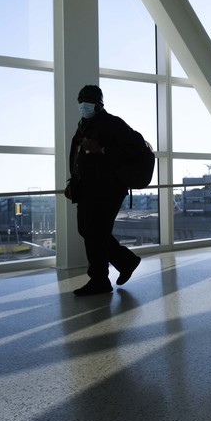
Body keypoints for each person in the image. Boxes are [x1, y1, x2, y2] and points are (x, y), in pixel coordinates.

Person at [65, 85, 143, 296]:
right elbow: (80, 158)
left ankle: (100, 279)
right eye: (80, 101)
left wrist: (101, 149)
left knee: (95, 232)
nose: (83, 106)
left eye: (87, 102)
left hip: (108, 189)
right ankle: (125, 261)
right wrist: (73, 182)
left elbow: (133, 151)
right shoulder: (84, 125)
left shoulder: (113, 124)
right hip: (88, 188)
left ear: (99, 104)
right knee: (87, 230)